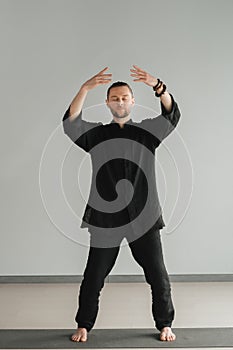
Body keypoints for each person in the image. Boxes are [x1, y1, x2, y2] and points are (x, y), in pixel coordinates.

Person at [62, 65, 181, 342]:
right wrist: (84, 89)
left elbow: (171, 115)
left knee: (158, 276)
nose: (120, 101)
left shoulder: (147, 133)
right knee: (93, 277)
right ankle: (84, 324)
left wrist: (158, 86)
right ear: (107, 103)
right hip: (106, 220)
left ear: (132, 101)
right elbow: (71, 124)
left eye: (125, 97)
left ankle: (165, 323)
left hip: (145, 217)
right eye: (115, 98)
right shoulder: (97, 136)